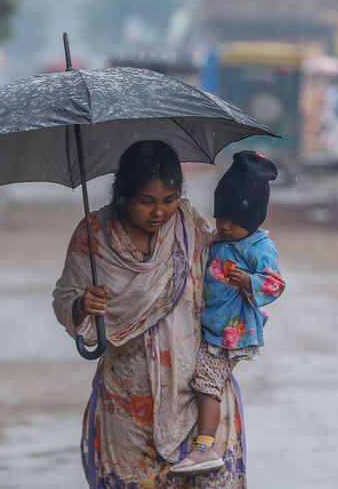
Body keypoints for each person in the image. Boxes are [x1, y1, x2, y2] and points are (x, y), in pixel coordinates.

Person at [52, 140, 248, 487]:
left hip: (199, 396)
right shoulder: (93, 236)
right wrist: (84, 305)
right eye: (146, 201)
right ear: (124, 195)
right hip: (129, 401)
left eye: (168, 201)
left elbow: (221, 285)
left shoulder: (190, 227)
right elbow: (65, 299)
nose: (159, 212)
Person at [171, 151, 285, 476]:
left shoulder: (259, 247)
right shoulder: (218, 239)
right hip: (207, 324)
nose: (224, 226)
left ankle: (204, 446)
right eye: (220, 218)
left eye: (232, 222)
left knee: (206, 382)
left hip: (231, 331)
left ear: (253, 219)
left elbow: (276, 284)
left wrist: (250, 281)